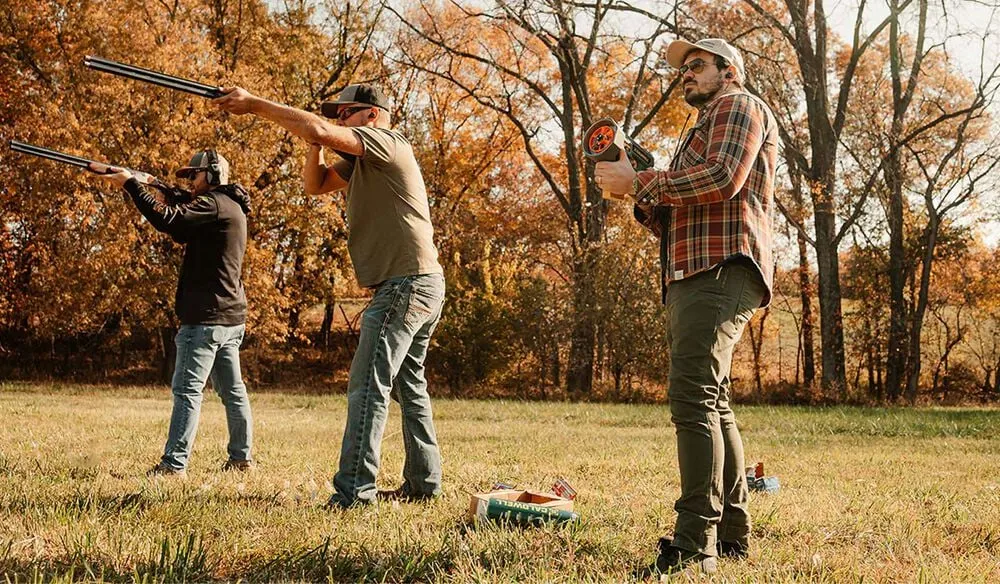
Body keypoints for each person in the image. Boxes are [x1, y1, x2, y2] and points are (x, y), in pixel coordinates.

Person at [213, 83, 446, 507]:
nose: (340, 120)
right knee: (409, 385)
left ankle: (355, 493)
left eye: (347, 113)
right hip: (418, 282)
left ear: (371, 115)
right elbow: (315, 184)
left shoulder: (387, 143)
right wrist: (312, 141)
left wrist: (257, 104)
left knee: (368, 386)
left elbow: (320, 130)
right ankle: (422, 483)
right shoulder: (365, 163)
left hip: (405, 284)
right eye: (336, 115)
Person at [595, 38, 778, 576]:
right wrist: (638, 190)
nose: (686, 76)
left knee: (692, 397)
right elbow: (674, 214)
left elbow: (725, 178)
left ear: (729, 70)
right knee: (713, 401)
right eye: (683, 69)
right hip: (695, 272)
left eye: (697, 66)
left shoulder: (739, 106)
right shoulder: (696, 132)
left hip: (720, 269)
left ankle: (694, 542)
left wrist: (645, 182)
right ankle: (731, 535)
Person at [89, 150, 254, 478]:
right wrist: (159, 190)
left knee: (187, 392)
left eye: (195, 176)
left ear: (212, 175)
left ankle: (173, 465)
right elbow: (182, 229)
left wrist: (132, 185)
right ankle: (241, 458)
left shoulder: (213, 204)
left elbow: (168, 220)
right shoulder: (229, 206)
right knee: (233, 392)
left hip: (205, 321)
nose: (190, 183)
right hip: (229, 317)